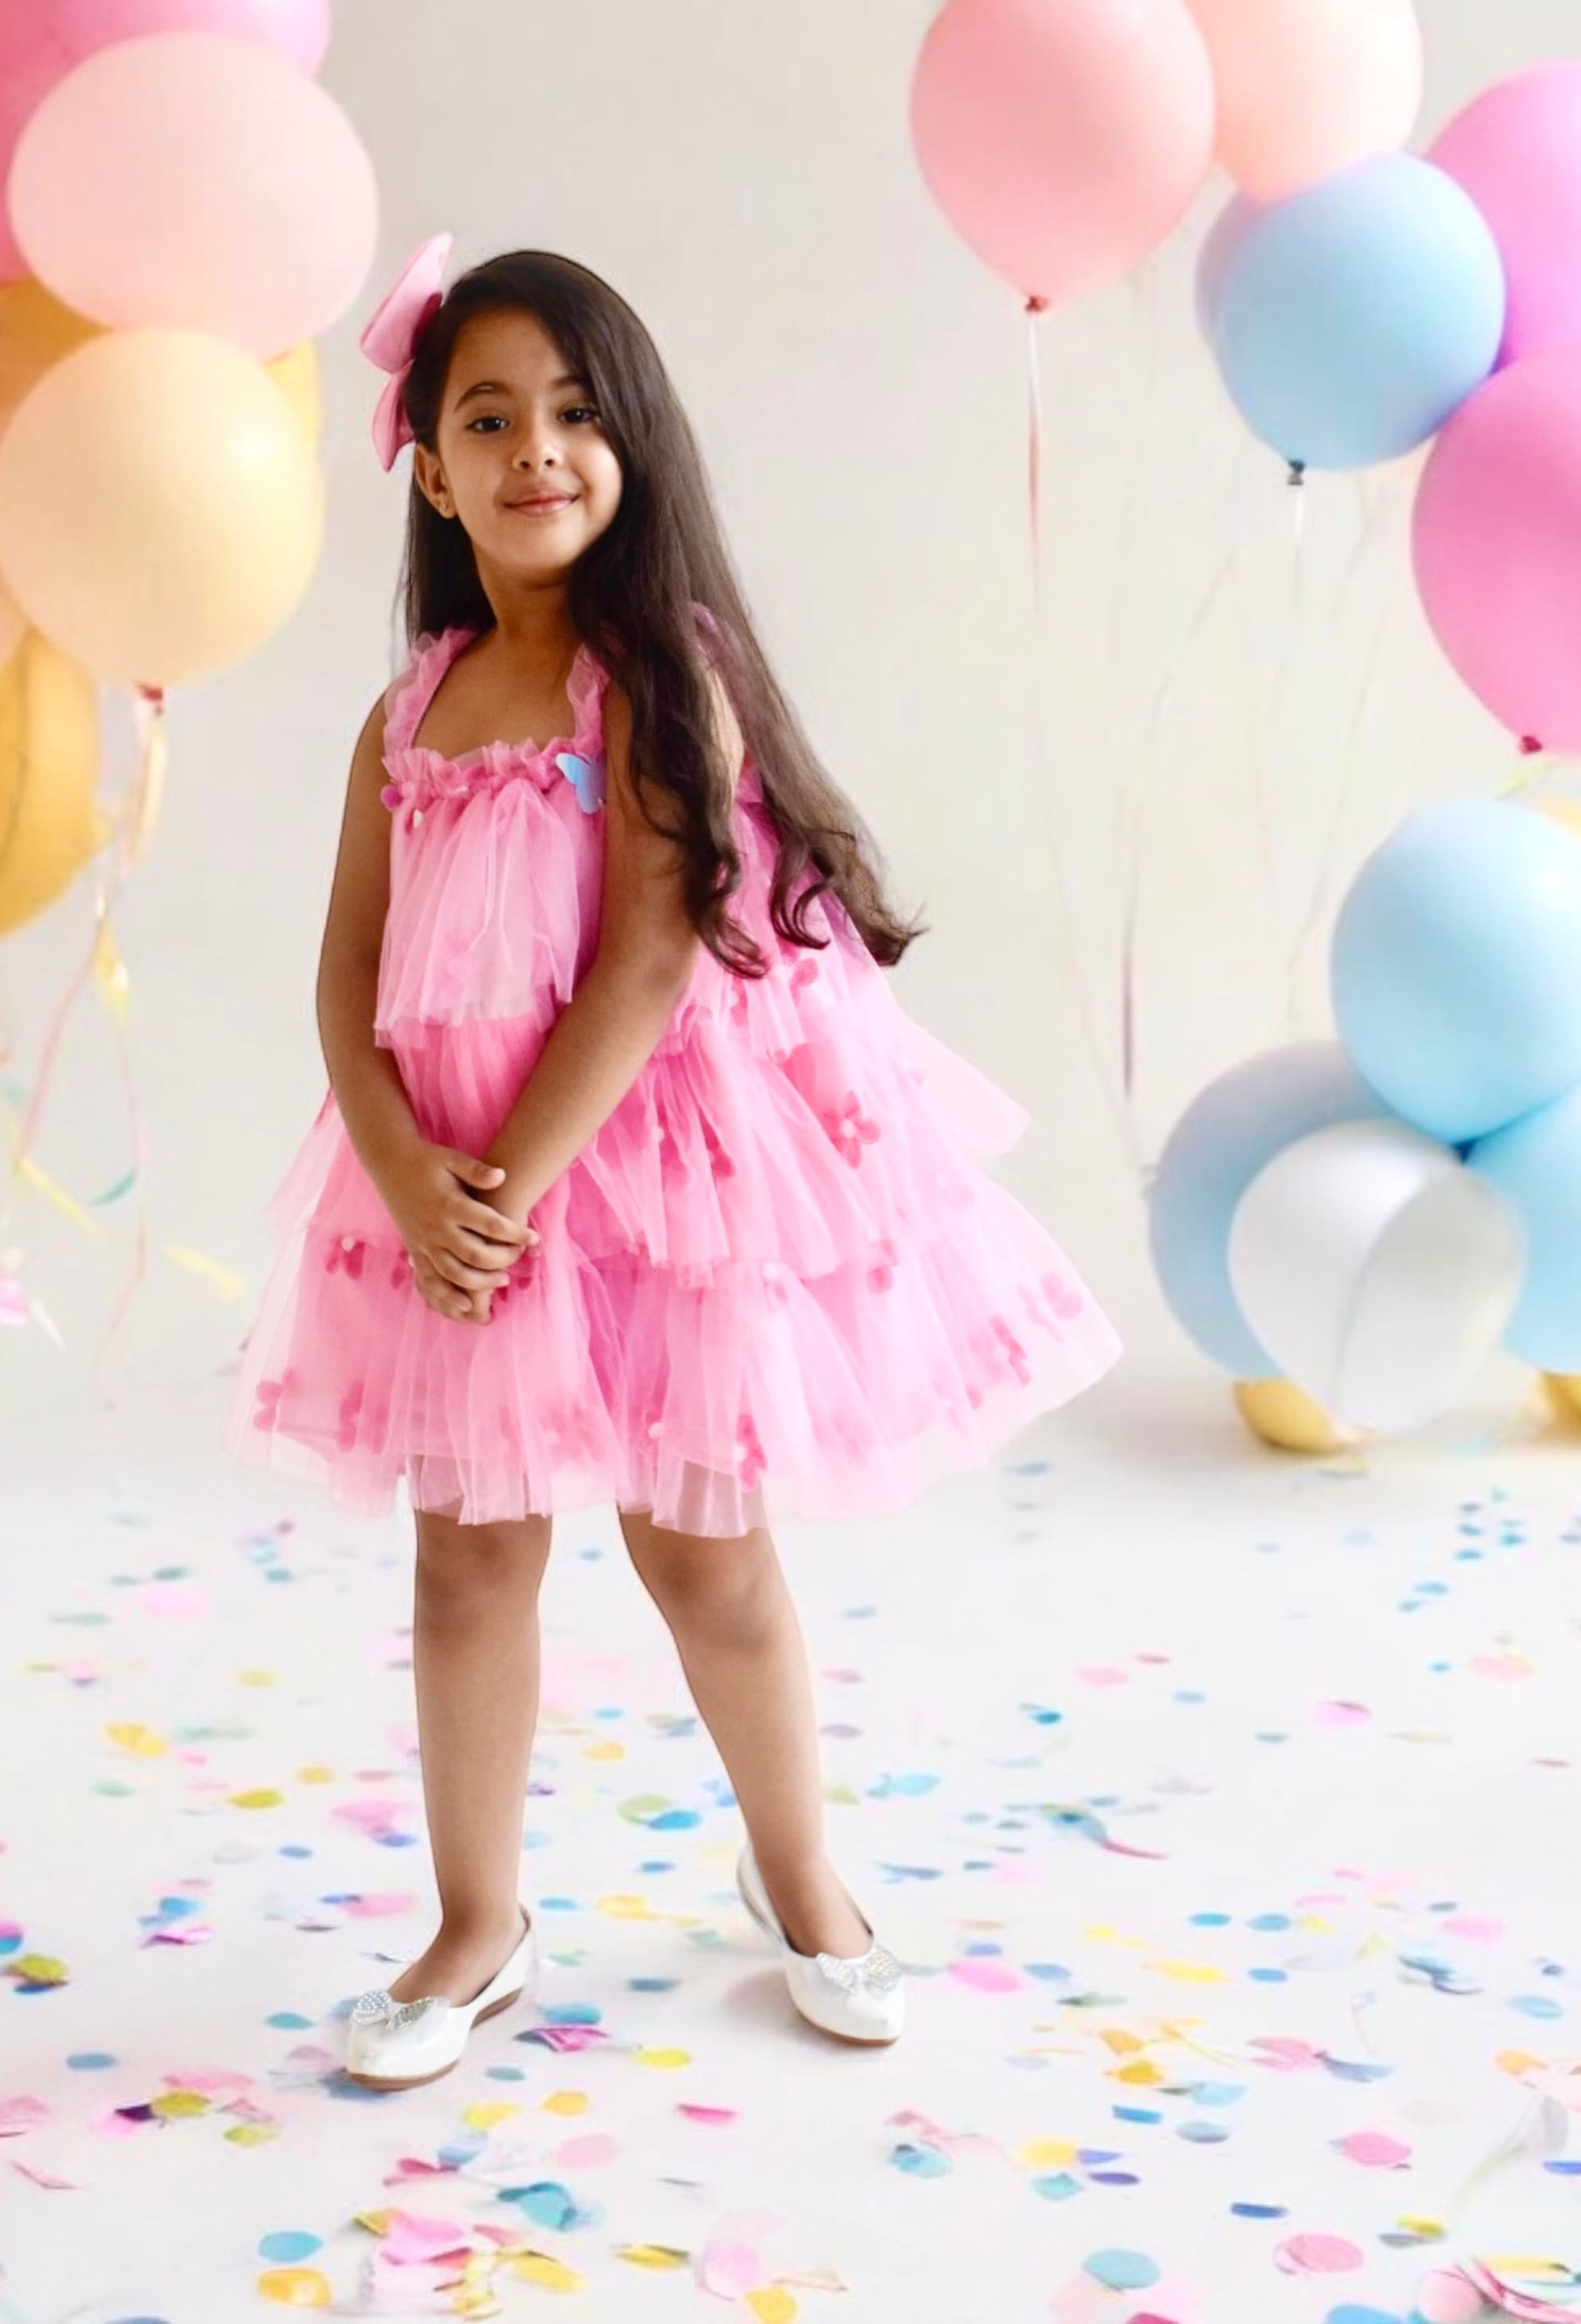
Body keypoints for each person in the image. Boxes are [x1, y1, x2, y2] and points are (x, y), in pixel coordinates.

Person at [229, 237, 1121, 2089]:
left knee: (704, 1555)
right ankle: (476, 1921)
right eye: (488, 418)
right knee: (467, 1557)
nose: (534, 450)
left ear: (630, 444)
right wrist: (410, 1174)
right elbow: (341, 973)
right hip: (461, 1199)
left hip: (644, 1188)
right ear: (426, 466)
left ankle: (796, 1873)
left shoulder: (652, 676)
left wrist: (504, 1183)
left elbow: (646, 955)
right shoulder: (406, 713)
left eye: (573, 412)